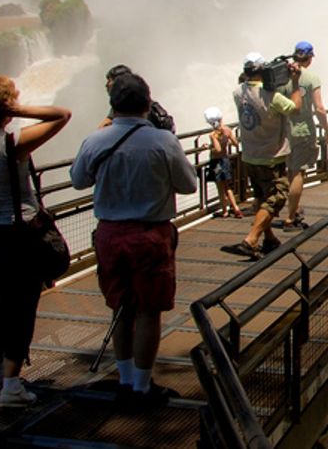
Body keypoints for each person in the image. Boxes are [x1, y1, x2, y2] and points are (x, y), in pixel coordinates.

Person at [70, 73, 195, 409]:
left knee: (121, 308)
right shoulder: (163, 142)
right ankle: (142, 386)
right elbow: (189, 186)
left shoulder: (96, 140)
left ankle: (124, 381)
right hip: (149, 234)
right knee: (148, 311)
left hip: (109, 234)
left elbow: (78, 180)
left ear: (112, 105)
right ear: (147, 103)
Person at [0, 76, 71, 408]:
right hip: (15, 233)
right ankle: (11, 385)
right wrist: (16, 109)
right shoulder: (13, 143)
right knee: (21, 304)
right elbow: (61, 115)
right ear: (6, 109)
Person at [222, 52, 304, 260]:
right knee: (276, 198)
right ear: (263, 70)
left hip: (249, 155)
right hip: (271, 157)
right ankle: (251, 239)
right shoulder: (272, 97)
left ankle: (269, 238)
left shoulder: (237, 92)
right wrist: (295, 82)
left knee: (261, 196)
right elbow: (295, 108)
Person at [284, 41, 328, 228]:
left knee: (288, 172)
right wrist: (326, 130)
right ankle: (290, 216)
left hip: (283, 131)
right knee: (298, 173)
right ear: (309, 58)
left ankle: (294, 206)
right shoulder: (311, 78)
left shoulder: (282, 76)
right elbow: (319, 108)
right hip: (303, 131)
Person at [98, 64, 175, 132]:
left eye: (110, 80)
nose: (107, 85)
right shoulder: (118, 108)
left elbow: (167, 124)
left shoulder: (149, 106)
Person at [204, 107, 241, 218]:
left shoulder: (213, 135)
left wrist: (208, 148)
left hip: (217, 162)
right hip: (226, 160)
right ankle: (236, 208)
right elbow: (235, 143)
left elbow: (218, 149)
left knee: (220, 188)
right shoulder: (228, 130)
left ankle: (224, 210)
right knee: (228, 187)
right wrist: (227, 142)